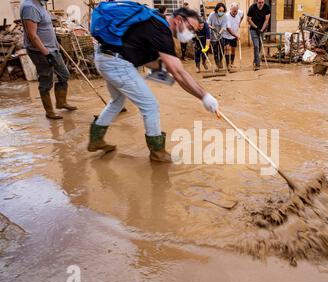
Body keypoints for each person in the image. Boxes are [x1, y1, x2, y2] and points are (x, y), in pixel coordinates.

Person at [88, 4, 220, 162]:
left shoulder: (154, 23)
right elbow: (178, 73)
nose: (191, 34)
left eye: (194, 31)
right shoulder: (161, 30)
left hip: (104, 58)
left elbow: (153, 64)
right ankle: (158, 152)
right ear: (178, 19)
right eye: (190, 28)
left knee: (117, 101)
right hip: (116, 63)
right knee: (150, 105)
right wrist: (205, 97)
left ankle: (96, 139)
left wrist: (169, 75)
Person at [20, 0, 77, 120]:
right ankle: (49, 111)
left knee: (64, 75)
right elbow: (32, 35)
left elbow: (45, 28)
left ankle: (61, 102)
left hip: (52, 48)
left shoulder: (40, 4)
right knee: (46, 81)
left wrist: (55, 42)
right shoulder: (30, 7)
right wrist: (46, 53)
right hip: (40, 52)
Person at [247, 0, 271, 71]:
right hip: (253, 29)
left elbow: (266, 20)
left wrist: (261, 30)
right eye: (259, 2)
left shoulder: (267, 7)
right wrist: (256, 28)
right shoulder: (252, 8)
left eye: (262, 2)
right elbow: (249, 19)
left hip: (262, 29)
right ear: (257, 2)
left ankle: (255, 61)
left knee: (260, 46)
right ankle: (258, 64)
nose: (261, 4)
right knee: (256, 46)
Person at [222, 2, 244, 71]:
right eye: (233, 11)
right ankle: (228, 65)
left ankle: (232, 63)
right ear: (230, 9)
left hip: (235, 34)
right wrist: (236, 36)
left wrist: (239, 22)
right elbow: (228, 29)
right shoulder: (226, 16)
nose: (235, 12)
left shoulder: (239, 12)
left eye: (236, 11)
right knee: (227, 49)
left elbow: (242, 15)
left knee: (233, 50)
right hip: (226, 35)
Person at [207, 2, 227, 71]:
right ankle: (217, 64)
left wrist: (220, 33)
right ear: (216, 10)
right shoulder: (212, 15)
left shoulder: (224, 16)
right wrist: (212, 27)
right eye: (220, 11)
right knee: (215, 51)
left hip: (220, 34)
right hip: (213, 35)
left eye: (222, 11)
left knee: (222, 49)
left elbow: (224, 26)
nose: (221, 12)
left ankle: (220, 60)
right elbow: (208, 24)